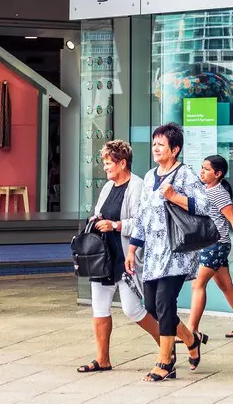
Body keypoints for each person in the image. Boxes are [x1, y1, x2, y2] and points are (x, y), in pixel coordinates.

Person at [124, 122, 207, 382]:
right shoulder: (149, 176)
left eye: (161, 144)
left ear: (175, 149)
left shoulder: (185, 175)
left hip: (176, 252)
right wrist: (132, 248)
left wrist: (174, 196)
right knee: (152, 306)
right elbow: (142, 216)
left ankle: (165, 361)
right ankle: (191, 340)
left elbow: (203, 204)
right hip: (152, 255)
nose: (156, 148)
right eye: (154, 144)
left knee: (164, 303)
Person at [80, 140, 160, 372]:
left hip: (126, 257)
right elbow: (98, 213)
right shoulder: (107, 187)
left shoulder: (137, 186)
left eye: (108, 163)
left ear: (122, 163)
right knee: (99, 308)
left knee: (132, 309)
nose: (105, 168)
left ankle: (165, 346)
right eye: (104, 163)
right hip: (102, 257)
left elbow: (141, 222)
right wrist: (96, 221)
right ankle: (102, 359)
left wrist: (115, 225)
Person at [185, 154, 233, 343]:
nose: (202, 171)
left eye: (207, 169)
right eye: (202, 168)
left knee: (197, 284)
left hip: (216, 245)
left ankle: (191, 330)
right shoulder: (204, 189)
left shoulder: (218, 192)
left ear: (218, 174)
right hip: (211, 244)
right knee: (225, 285)